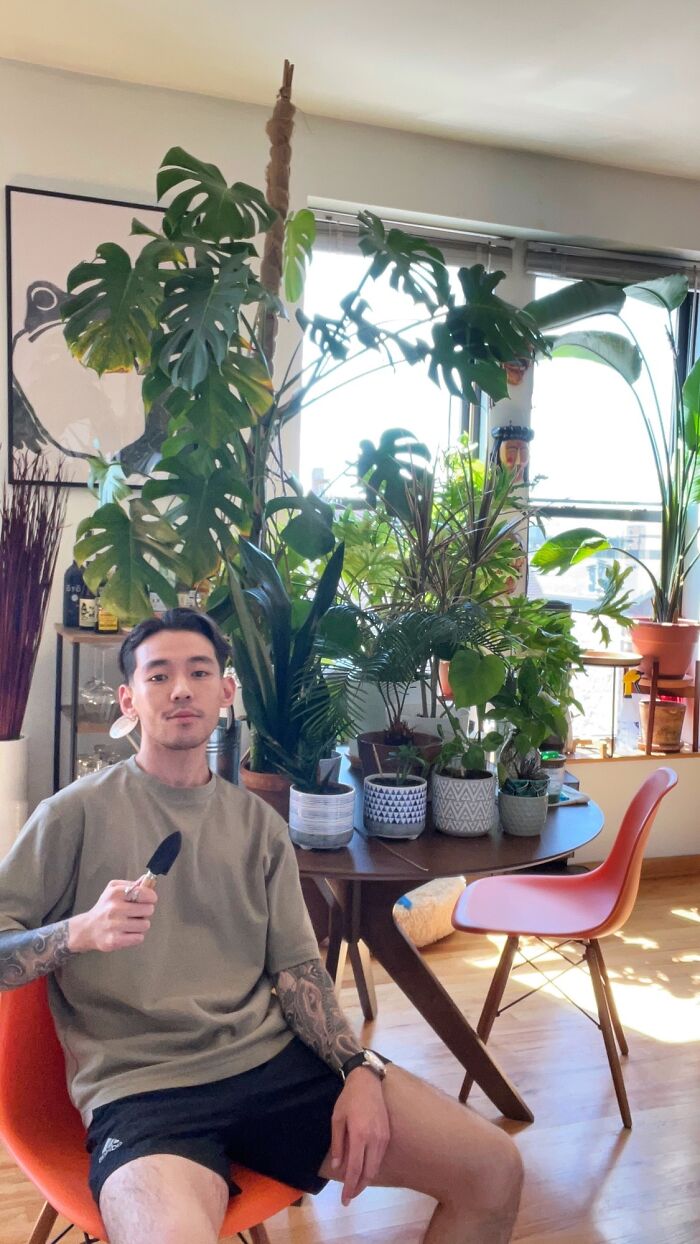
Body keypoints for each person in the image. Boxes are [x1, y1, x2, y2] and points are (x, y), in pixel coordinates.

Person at [0, 609, 523, 1244]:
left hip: (276, 1067)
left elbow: (300, 973)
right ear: (129, 699)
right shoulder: (73, 815)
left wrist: (357, 1066)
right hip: (144, 1095)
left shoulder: (259, 827)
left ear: (226, 693)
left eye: (199, 672)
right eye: (158, 675)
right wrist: (79, 931)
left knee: (494, 1170)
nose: (181, 689)